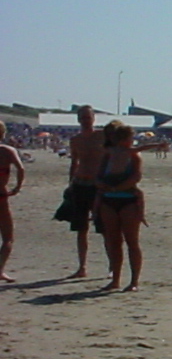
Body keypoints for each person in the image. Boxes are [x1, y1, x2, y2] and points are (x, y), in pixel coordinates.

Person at [95, 120, 145, 292]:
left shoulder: (134, 156)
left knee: (132, 241)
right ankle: (115, 279)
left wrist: (116, 187)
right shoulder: (108, 155)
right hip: (108, 200)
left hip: (128, 200)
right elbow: (98, 175)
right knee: (113, 241)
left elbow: (136, 177)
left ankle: (134, 281)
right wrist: (104, 186)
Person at [63, 105, 105, 277]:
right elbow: (74, 163)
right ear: (78, 119)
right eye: (83, 117)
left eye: (88, 117)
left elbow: (114, 155)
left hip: (99, 186)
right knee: (81, 228)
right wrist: (70, 184)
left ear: (94, 118)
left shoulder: (102, 135)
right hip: (80, 184)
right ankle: (82, 267)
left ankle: (112, 267)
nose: (86, 121)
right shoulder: (75, 140)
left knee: (105, 227)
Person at [0, 121, 26, 282]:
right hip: (1, 194)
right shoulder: (7, 151)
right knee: (8, 237)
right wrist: (17, 187)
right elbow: (20, 168)